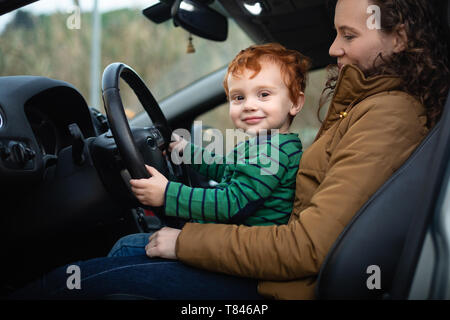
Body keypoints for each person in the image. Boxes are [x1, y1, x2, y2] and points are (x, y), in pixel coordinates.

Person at [11, 0, 450, 300]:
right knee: (125, 249)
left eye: (347, 35)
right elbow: (240, 165)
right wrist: (191, 154)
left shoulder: (389, 116)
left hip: (273, 288)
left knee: (80, 285)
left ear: (401, 37)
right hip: (272, 275)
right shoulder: (364, 109)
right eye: (239, 97)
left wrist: (184, 239)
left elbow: (306, 246)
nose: (334, 47)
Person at [127, 43, 309, 229]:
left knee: (125, 247)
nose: (248, 105)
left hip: (241, 249)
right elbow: (227, 170)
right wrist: (188, 152)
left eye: (263, 94)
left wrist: (167, 194)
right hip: (228, 239)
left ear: (295, 103)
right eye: (238, 97)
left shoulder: (275, 150)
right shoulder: (266, 144)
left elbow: (231, 203)